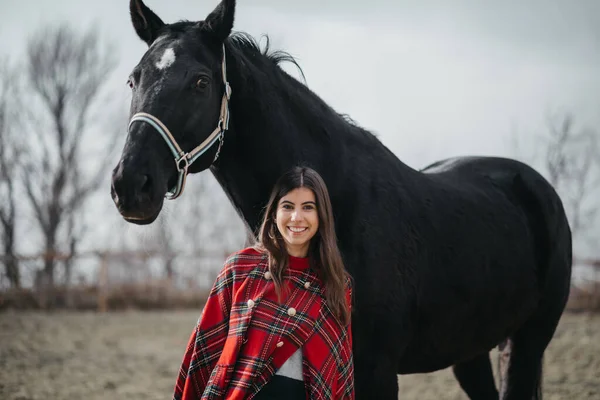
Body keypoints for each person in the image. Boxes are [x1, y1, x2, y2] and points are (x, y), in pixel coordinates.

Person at [173, 166, 354, 400]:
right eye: (287, 206)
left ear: (322, 215)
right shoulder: (240, 268)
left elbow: (340, 367)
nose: (296, 217)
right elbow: (204, 349)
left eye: (308, 207)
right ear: (274, 213)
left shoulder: (336, 282)